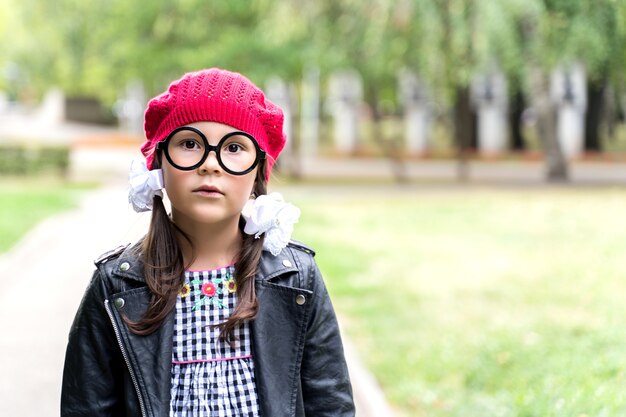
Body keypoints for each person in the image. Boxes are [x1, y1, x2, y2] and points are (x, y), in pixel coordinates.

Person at [61, 68, 355, 417]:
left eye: (233, 147)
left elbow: (331, 405)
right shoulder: (117, 285)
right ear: (159, 164)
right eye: (189, 144)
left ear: (258, 171)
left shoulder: (296, 279)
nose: (211, 164)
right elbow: (87, 407)